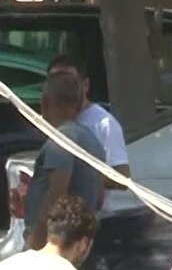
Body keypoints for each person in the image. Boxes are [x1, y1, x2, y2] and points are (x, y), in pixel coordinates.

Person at [24, 71, 105, 249]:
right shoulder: (93, 142)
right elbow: (99, 198)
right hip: (78, 245)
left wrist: (34, 244)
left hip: (52, 245)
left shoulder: (62, 139)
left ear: (45, 102)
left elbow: (56, 196)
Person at [47, 54, 130, 182]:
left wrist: (76, 177)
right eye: (57, 83)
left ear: (85, 85)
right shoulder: (49, 121)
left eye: (69, 83)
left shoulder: (104, 124)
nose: (63, 90)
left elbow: (122, 177)